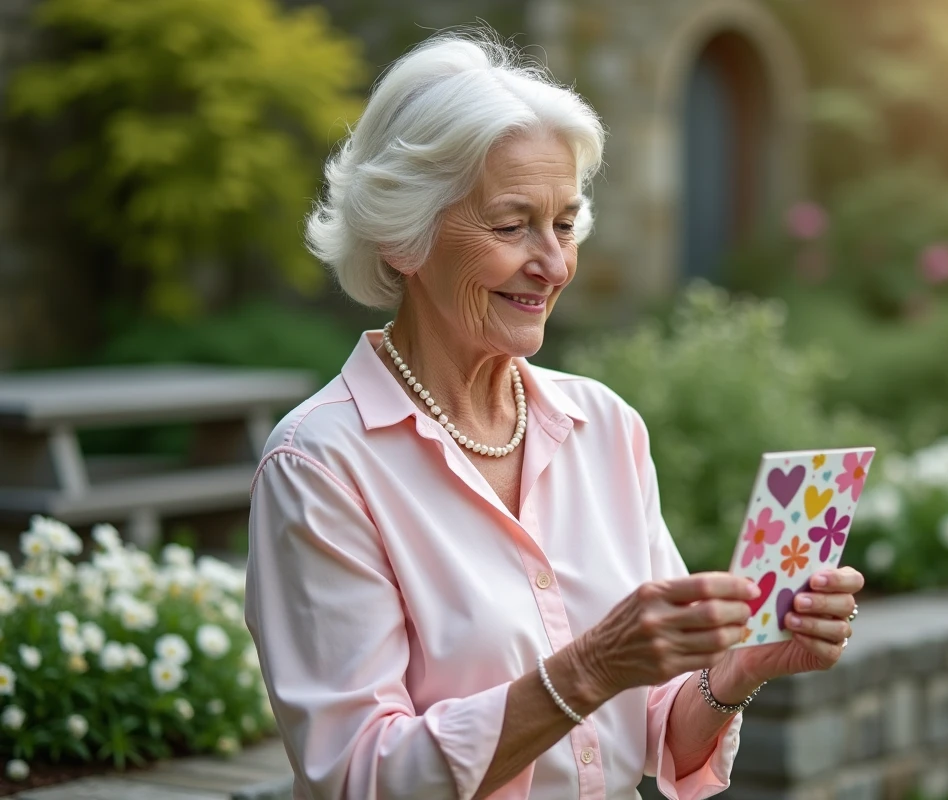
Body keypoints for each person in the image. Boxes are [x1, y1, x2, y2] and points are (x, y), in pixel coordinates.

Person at [244, 30, 864, 800]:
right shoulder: (321, 463)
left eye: (565, 223)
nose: (555, 262)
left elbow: (657, 730)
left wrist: (739, 669)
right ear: (405, 235)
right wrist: (589, 668)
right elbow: (359, 778)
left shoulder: (604, 425)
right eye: (512, 226)